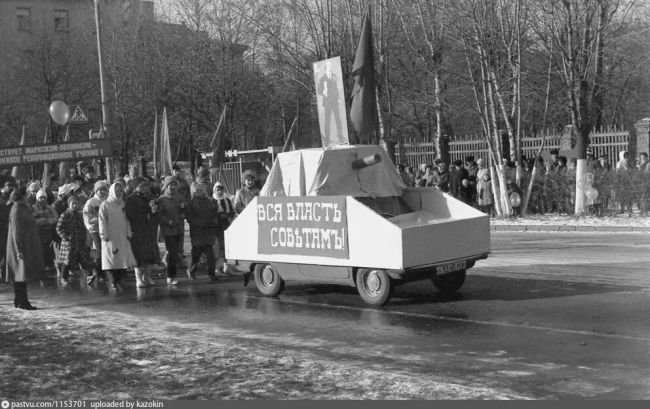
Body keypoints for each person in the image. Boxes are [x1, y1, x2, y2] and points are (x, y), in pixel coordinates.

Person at [5, 186, 44, 310]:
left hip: (25, 244)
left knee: (20, 274)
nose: (28, 196)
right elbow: (17, 231)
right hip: (21, 247)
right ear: (21, 197)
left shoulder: (22, 208)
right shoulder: (17, 210)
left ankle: (19, 300)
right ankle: (23, 301)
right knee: (20, 274)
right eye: (26, 195)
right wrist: (19, 250)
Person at [98, 183, 136, 291]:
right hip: (110, 236)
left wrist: (128, 232)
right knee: (111, 258)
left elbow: (126, 219)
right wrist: (103, 235)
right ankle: (113, 281)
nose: (119, 193)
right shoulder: (105, 205)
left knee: (122, 258)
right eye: (117, 191)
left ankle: (120, 279)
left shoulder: (122, 204)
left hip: (122, 234)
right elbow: (102, 221)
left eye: (120, 191)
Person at [125, 179, 159, 287]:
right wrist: (147, 215)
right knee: (139, 255)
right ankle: (138, 279)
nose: (145, 188)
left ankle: (147, 277)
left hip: (149, 230)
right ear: (136, 187)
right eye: (141, 186)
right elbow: (130, 215)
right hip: (137, 230)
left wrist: (154, 210)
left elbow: (154, 213)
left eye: (146, 186)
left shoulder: (148, 197)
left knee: (150, 255)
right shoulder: (130, 199)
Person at [56, 196, 93, 286]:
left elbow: (83, 228)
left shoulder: (79, 215)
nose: (75, 205)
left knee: (83, 259)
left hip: (79, 242)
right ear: (69, 205)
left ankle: (89, 275)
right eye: (73, 204)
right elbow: (59, 228)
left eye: (76, 203)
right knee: (67, 261)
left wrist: (85, 238)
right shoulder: (64, 215)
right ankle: (63, 278)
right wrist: (66, 237)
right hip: (69, 243)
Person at [154, 176, 185, 285]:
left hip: (179, 228)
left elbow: (184, 210)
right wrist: (168, 221)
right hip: (168, 230)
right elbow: (159, 215)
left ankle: (171, 272)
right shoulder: (162, 199)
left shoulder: (180, 197)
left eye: (174, 184)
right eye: (170, 185)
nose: (172, 187)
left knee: (176, 253)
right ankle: (170, 276)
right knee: (172, 252)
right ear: (166, 186)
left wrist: (181, 216)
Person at [185, 182, 218, 281]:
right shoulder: (191, 203)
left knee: (210, 255)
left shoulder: (210, 201)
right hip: (197, 232)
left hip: (208, 231)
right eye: (197, 190)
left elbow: (214, 213)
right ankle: (191, 270)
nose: (200, 192)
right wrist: (200, 222)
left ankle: (211, 274)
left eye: (202, 190)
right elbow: (189, 217)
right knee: (196, 253)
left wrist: (213, 221)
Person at [83, 180, 110, 285]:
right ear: (96, 191)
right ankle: (97, 273)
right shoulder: (91, 202)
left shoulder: (108, 200)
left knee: (107, 250)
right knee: (100, 251)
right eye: (100, 190)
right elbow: (87, 216)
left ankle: (105, 272)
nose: (102, 192)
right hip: (95, 229)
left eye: (104, 190)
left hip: (108, 229)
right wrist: (98, 220)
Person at [32, 188, 59, 275]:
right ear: (37, 198)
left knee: (49, 249)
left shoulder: (50, 207)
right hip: (38, 232)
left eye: (44, 197)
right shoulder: (33, 208)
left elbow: (56, 217)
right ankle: (41, 266)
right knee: (40, 249)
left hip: (48, 232)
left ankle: (50, 265)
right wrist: (41, 221)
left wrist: (47, 221)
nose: (42, 199)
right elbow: (32, 220)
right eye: (40, 198)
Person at [316, 59, 343, 141]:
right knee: (327, 120)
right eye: (329, 66)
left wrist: (338, 98)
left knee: (338, 119)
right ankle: (327, 138)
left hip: (334, 100)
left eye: (331, 66)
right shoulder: (322, 78)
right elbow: (319, 90)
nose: (330, 67)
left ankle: (340, 137)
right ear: (326, 67)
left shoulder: (335, 76)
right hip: (327, 102)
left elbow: (337, 88)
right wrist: (323, 91)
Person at [213, 181, 235, 277]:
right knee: (218, 248)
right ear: (215, 190)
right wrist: (220, 216)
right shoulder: (212, 201)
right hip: (216, 228)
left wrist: (229, 216)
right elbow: (211, 214)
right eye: (218, 190)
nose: (219, 192)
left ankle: (227, 267)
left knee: (227, 247)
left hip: (226, 227)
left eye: (221, 190)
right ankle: (217, 268)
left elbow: (232, 211)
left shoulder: (227, 200)